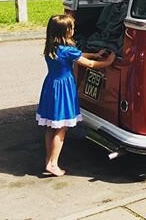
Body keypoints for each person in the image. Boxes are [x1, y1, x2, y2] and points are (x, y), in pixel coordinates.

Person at [37, 14, 115, 176]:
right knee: (61, 129)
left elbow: (77, 56)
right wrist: (108, 62)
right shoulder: (68, 50)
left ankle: (48, 159)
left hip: (51, 86)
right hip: (63, 89)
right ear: (66, 32)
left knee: (51, 127)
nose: (73, 30)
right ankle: (53, 164)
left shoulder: (52, 46)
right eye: (71, 28)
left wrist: (93, 54)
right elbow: (90, 64)